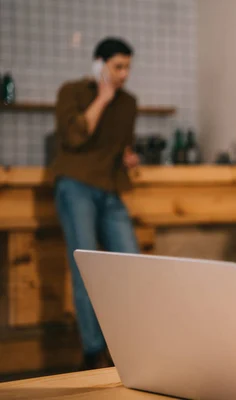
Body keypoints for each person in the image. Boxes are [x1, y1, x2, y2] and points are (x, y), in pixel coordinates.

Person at [52, 37, 140, 370]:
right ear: (99, 64)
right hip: (76, 187)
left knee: (133, 267)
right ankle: (93, 351)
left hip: (110, 190)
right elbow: (73, 137)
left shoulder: (129, 103)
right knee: (85, 269)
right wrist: (102, 99)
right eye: (118, 66)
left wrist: (129, 157)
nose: (124, 74)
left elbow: (121, 146)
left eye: (128, 67)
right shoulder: (72, 92)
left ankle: (132, 343)